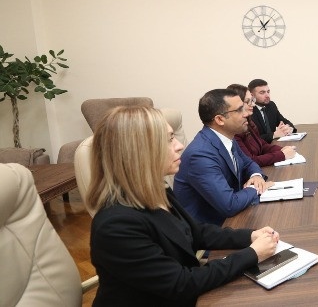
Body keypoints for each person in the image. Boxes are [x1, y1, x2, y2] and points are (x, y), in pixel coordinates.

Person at [86, 106, 281, 306]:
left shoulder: (156, 191)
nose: (179, 146)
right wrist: (252, 254)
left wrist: (249, 236)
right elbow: (182, 284)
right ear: (137, 152)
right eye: (168, 139)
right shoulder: (116, 226)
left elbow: (196, 232)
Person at [174, 89, 271, 225]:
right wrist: (256, 188)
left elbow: (248, 163)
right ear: (219, 119)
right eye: (239, 110)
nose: (246, 114)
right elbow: (229, 205)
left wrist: (256, 176)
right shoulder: (200, 155)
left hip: (233, 218)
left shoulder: (227, 138)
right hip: (211, 230)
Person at [227, 84, 297, 167]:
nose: (253, 104)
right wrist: (282, 155)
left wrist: (282, 149)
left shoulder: (249, 122)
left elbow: (262, 145)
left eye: (252, 100)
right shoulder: (233, 129)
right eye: (248, 101)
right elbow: (250, 161)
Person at [248, 78, 296, 142]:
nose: (267, 95)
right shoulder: (249, 111)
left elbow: (284, 121)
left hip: (274, 144)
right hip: (259, 147)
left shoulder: (271, 105)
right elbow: (252, 139)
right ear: (252, 95)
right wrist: (274, 135)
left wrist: (289, 128)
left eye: (268, 92)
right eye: (262, 93)